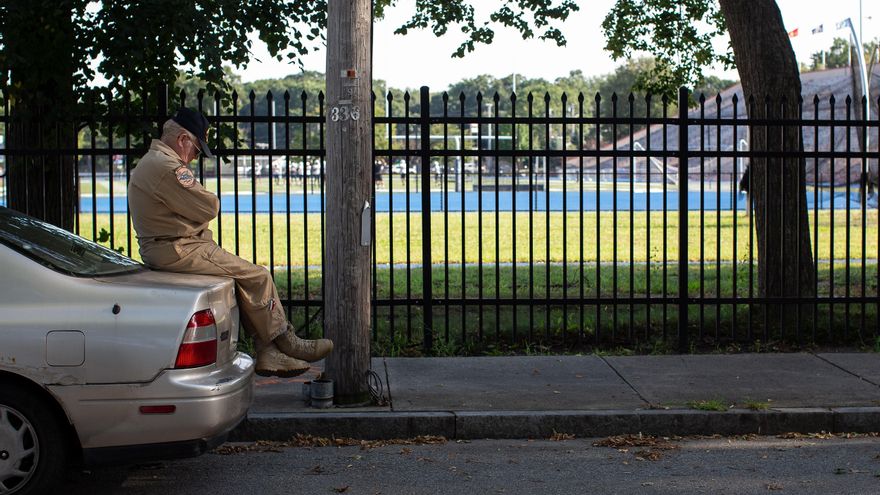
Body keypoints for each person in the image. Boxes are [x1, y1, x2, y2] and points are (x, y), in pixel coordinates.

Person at [128, 108, 332, 377]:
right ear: (182, 140)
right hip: (181, 248)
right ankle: (285, 340)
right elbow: (209, 206)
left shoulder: (153, 162)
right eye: (196, 150)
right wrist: (197, 213)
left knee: (241, 280)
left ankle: (269, 352)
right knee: (258, 276)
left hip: (172, 247)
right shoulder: (167, 167)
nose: (194, 157)